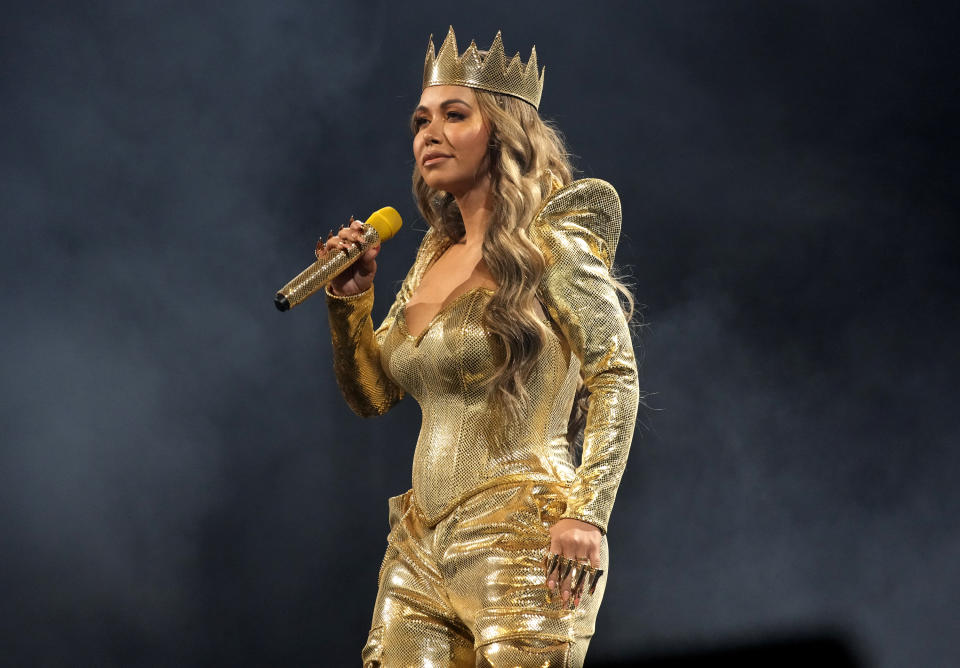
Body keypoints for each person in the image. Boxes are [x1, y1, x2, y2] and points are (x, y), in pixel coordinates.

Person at [322, 27, 640, 667]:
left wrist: (588, 512)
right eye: (420, 120)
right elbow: (374, 393)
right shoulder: (433, 254)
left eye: (454, 115)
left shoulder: (556, 243)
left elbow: (616, 375)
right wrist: (350, 304)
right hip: (419, 545)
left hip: (523, 533)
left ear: (503, 132)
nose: (428, 134)